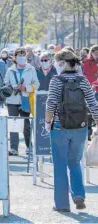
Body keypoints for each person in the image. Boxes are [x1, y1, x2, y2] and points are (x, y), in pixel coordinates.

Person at [45, 49, 98, 212]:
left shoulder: (56, 80)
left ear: (61, 63)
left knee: (60, 165)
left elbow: (50, 103)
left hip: (60, 127)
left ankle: (62, 204)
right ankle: (79, 196)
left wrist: (48, 122)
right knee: (75, 162)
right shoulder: (83, 80)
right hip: (80, 128)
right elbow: (93, 104)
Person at [4, 47, 40, 156]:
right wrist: (15, 87)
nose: (21, 57)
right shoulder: (10, 70)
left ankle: (29, 146)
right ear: (15, 58)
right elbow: (6, 84)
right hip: (12, 100)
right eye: (19, 55)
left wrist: (26, 88)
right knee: (13, 124)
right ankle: (14, 148)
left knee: (26, 124)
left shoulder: (31, 69)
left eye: (23, 55)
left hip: (25, 99)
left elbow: (36, 84)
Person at [83, 45, 98, 140]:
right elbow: (88, 73)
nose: (96, 54)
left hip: (96, 86)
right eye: (95, 52)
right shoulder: (87, 61)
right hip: (90, 87)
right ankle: (88, 130)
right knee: (90, 108)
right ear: (91, 52)